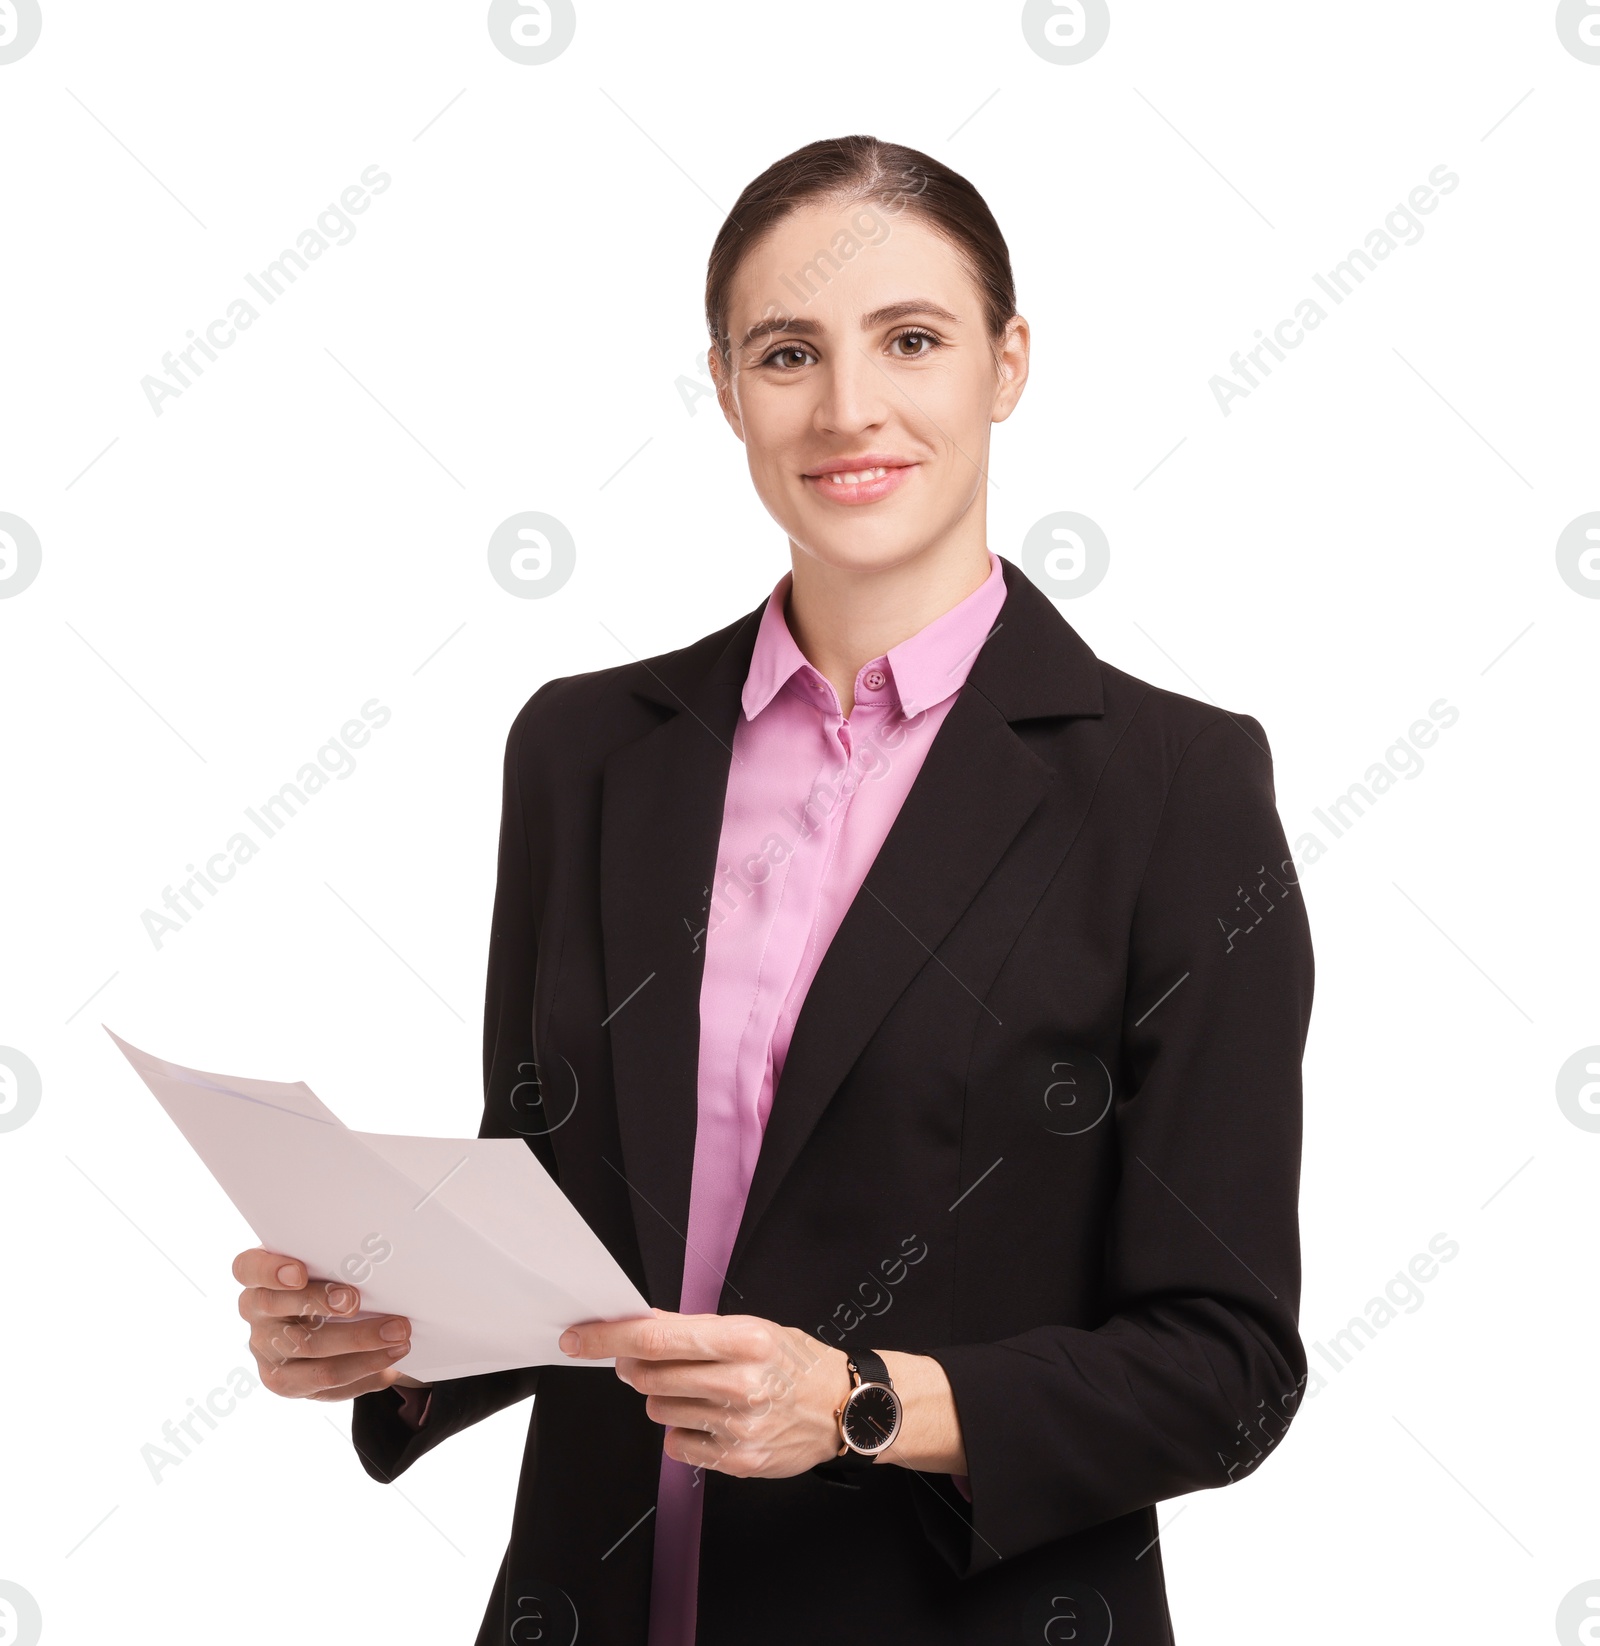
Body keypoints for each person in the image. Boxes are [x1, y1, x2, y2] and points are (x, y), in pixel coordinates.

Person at [233, 134, 1314, 1645]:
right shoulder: (587, 748)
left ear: (1007, 366)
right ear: (730, 389)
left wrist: (860, 1402)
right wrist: (394, 1334)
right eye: (789, 351)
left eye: (913, 341)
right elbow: (561, 1218)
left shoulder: (1174, 790)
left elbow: (1227, 1368)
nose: (848, 408)